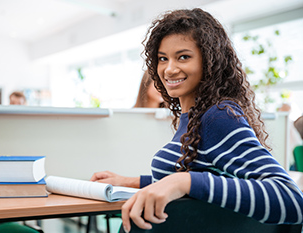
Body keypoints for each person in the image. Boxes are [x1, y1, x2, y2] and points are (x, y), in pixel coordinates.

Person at [90, 8, 303, 232]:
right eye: (163, 59)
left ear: (210, 61)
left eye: (183, 57)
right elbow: (201, 179)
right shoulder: (192, 117)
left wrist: (184, 182)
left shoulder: (218, 116)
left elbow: (291, 198)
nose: (169, 69)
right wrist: (130, 182)